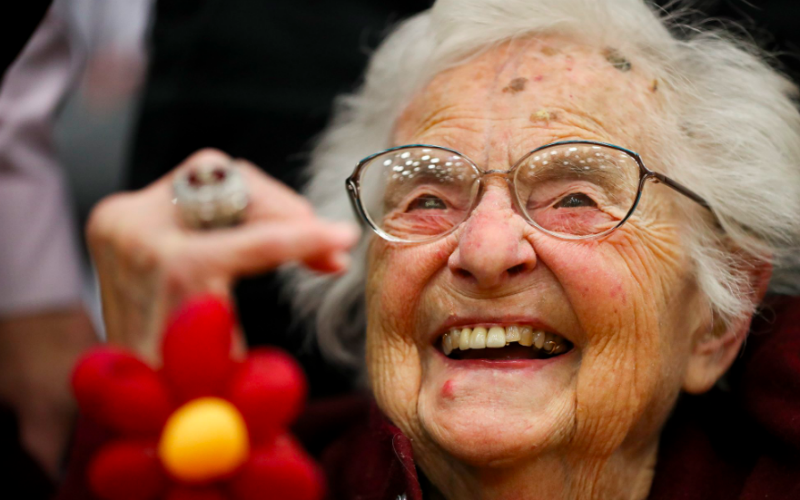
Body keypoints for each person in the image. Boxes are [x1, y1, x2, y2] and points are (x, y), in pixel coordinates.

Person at [75, 0, 800, 498]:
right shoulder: (271, 478)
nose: (484, 249)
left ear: (717, 319)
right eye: (427, 199)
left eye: (576, 198)